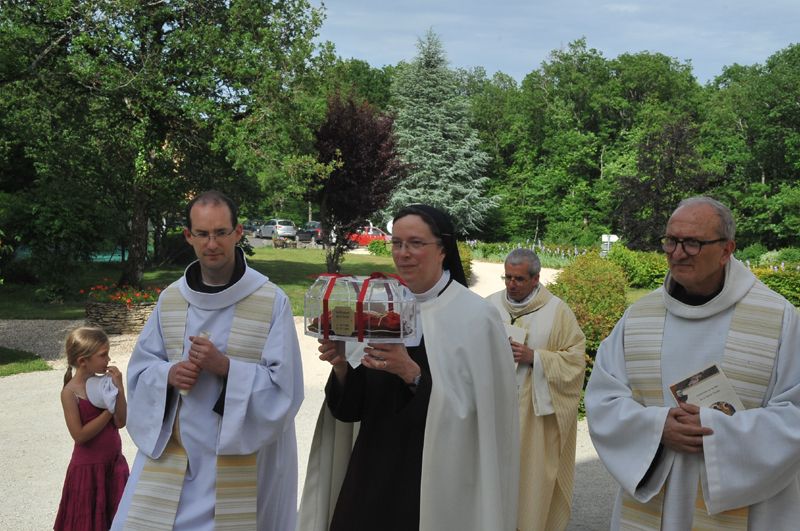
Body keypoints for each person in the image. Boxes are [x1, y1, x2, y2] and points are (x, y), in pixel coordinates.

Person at [298, 204, 520, 531]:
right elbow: (352, 411)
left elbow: (481, 419)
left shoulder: (475, 316)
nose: (403, 254)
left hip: (434, 482)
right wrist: (344, 368)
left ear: (443, 249)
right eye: (397, 243)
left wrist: (411, 373)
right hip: (371, 472)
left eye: (416, 243)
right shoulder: (379, 305)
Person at [585, 196, 800, 530]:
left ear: (727, 249)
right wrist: (657, 429)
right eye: (671, 240)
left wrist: (718, 433)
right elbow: (603, 399)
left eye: (693, 243)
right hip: (659, 492)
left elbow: (794, 413)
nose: (677, 252)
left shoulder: (778, 318)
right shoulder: (639, 317)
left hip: (745, 504)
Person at [111, 190, 304, 530]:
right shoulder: (171, 299)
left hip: (245, 457)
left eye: (220, 233)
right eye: (202, 234)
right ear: (189, 236)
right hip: (177, 452)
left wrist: (226, 368)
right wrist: (169, 374)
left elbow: (285, 389)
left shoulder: (271, 300)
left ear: (238, 233)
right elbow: (141, 371)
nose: (211, 243)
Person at [486, 248, 586, 531]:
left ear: (536, 278)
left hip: (533, 416)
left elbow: (576, 359)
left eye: (518, 278)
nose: (511, 284)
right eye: (507, 277)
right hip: (493, 408)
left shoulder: (557, 311)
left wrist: (535, 358)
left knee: (528, 481)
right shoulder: (489, 305)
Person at [55, 326, 129, 530]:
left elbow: (121, 422)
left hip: (113, 464)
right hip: (88, 470)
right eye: (103, 355)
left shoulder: (104, 384)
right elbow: (79, 435)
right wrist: (108, 410)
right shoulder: (70, 393)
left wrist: (119, 389)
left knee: (118, 520)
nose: (108, 359)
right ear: (82, 361)